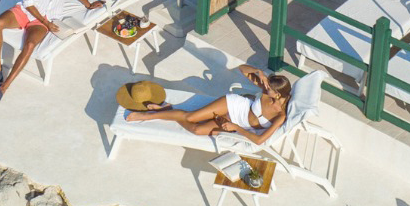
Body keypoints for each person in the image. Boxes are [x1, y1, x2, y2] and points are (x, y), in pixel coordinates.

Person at [0, 0, 104, 102]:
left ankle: (4, 86)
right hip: (28, 11)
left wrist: (89, 5)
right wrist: (46, 22)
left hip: (46, 18)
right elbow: (28, 3)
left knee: (30, 45)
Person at [123, 65, 292, 143]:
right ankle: (147, 116)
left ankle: (169, 110)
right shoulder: (266, 90)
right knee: (191, 117)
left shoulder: (280, 116)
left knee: (197, 130)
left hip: (236, 123)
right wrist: (258, 72)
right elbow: (242, 69)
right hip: (233, 105)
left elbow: (259, 140)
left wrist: (235, 127)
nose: (265, 88)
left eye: (269, 88)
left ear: (278, 94)